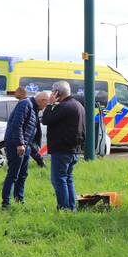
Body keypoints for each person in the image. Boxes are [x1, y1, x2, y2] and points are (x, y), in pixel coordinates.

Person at [41, 80, 85, 211]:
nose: (51, 95)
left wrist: (49, 104)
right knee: (68, 179)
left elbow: (46, 120)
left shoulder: (64, 107)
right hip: (74, 149)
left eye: (52, 92)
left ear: (57, 93)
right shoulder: (78, 105)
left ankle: (64, 208)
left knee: (59, 180)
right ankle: (71, 207)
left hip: (62, 150)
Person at [2, 91, 48, 209]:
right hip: (16, 145)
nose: (45, 107)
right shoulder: (25, 104)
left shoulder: (34, 108)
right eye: (46, 104)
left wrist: (37, 156)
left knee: (23, 175)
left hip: (26, 146)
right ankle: (6, 203)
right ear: (42, 100)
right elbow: (17, 125)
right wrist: (20, 144)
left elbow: (30, 132)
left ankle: (19, 200)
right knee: (13, 174)